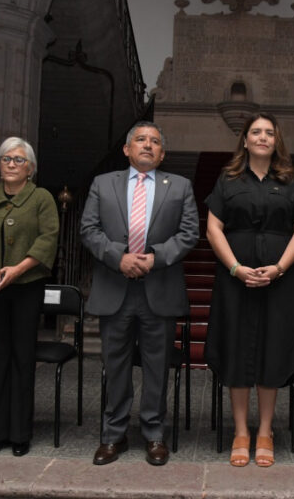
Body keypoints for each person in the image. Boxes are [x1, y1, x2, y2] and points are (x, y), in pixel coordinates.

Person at [81, 121, 198, 467]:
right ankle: (112, 435)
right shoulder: (103, 184)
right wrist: (119, 258)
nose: (147, 145)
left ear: (162, 153)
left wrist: (155, 258)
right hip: (114, 287)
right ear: (127, 149)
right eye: (140, 140)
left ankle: (154, 434)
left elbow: (189, 232)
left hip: (158, 288)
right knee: (114, 365)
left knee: (156, 367)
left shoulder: (180, 186)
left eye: (155, 142)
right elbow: (88, 228)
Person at [204, 112, 294, 468]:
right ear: (245, 140)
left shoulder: (293, 180)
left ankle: (265, 430)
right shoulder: (228, 178)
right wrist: (235, 268)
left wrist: (280, 267)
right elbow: (213, 228)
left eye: (269, 132)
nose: (263, 137)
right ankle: (240, 431)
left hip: (279, 280)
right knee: (237, 348)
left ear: (276, 139)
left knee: (271, 349)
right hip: (235, 279)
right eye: (256, 132)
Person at [0, 137, 59, 457]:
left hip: (27, 287)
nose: (12, 164)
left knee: (22, 359)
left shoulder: (41, 198)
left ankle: (20, 433)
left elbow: (48, 238)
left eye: (19, 160)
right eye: (6, 159)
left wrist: (17, 270)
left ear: (30, 168)